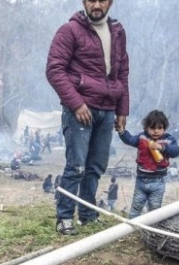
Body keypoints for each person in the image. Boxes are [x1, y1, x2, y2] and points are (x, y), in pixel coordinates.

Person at [46, 0, 129, 235]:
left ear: (110, 3)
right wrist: (76, 103)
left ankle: (87, 215)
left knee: (96, 167)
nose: (96, 4)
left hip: (108, 109)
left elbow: (122, 73)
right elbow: (54, 70)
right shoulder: (69, 30)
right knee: (76, 166)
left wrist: (122, 110)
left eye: (102, 0)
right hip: (80, 110)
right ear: (84, 1)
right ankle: (64, 218)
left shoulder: (118, 33)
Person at [117, 110, 179, 219]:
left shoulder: (168, 139)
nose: (156, 131)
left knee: (154, 208)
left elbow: (176, 151)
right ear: (146, 128)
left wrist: (162, 147)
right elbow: (130, 140)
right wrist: (122, 131)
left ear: (164, 128)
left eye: (159, 128)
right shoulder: (142, 137)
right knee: (136, 206)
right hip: (141, 180)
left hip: (158, 182)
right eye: (152, 128)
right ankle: (132, 227)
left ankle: (152, 230)